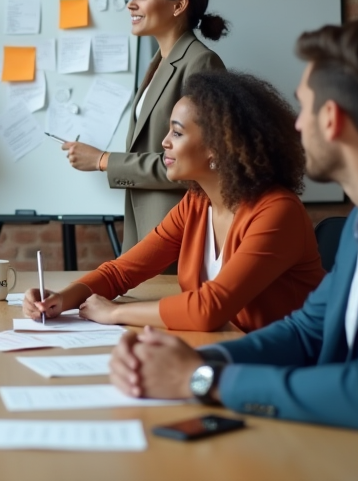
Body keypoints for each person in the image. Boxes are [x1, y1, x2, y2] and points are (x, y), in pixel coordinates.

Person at [108, 19, 358, 481]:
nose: (296, 124)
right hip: (355, 448)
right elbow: (306, 332)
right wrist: (198, 361)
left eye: (305, 107)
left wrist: (202, 380)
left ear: (333, 119)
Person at [26, 70, 324, 332]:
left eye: (177, 132)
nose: (164, 142)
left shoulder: (277, 212)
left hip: (282, 363)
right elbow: (120, 272)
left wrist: (115, 313)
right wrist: (61, 299)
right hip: (221, 349)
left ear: (218, 146)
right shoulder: (196, 203)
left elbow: (209, 308)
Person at [63, 0, 228, 253]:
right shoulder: (159, 62)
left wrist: (103, 160)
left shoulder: (201, 63)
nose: (131, 4)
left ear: (179, 5)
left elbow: (196, 162)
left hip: (176, 228)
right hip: (145, 225)